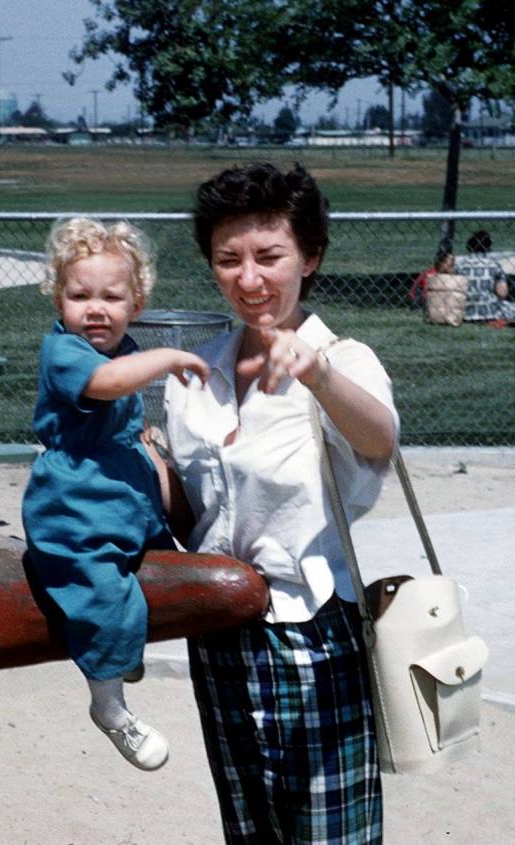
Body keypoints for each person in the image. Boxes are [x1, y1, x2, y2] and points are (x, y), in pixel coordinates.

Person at [161, 163, 399, 844]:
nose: (249, 277)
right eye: (228, 258)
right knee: (249, 828)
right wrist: (138, 460)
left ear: (310, 256)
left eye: (269, 256)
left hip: (311, 632)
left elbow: (379, 437)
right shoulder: (194, 372)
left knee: (331, 834)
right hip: (219, 631)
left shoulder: (342, 358)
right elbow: (193, 516)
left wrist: (317, 374)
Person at [21, 217, 209, 772]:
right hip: (77, 505)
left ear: (137, 301)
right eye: (80, 296)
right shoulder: (65, 354)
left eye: (111, 296)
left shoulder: (118, 348)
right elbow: (108, 385)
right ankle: (110, 707)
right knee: (103, 591)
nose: (95, 308)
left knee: (173, 572)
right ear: (59, 299)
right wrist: (171, 357)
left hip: (125, 492)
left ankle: (121, 647)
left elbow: (124, 413)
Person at [455, 229, 515, 323]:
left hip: (465, 311)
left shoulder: (460, 266)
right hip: (490, 311)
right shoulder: (494, 265)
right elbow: (502, 293)